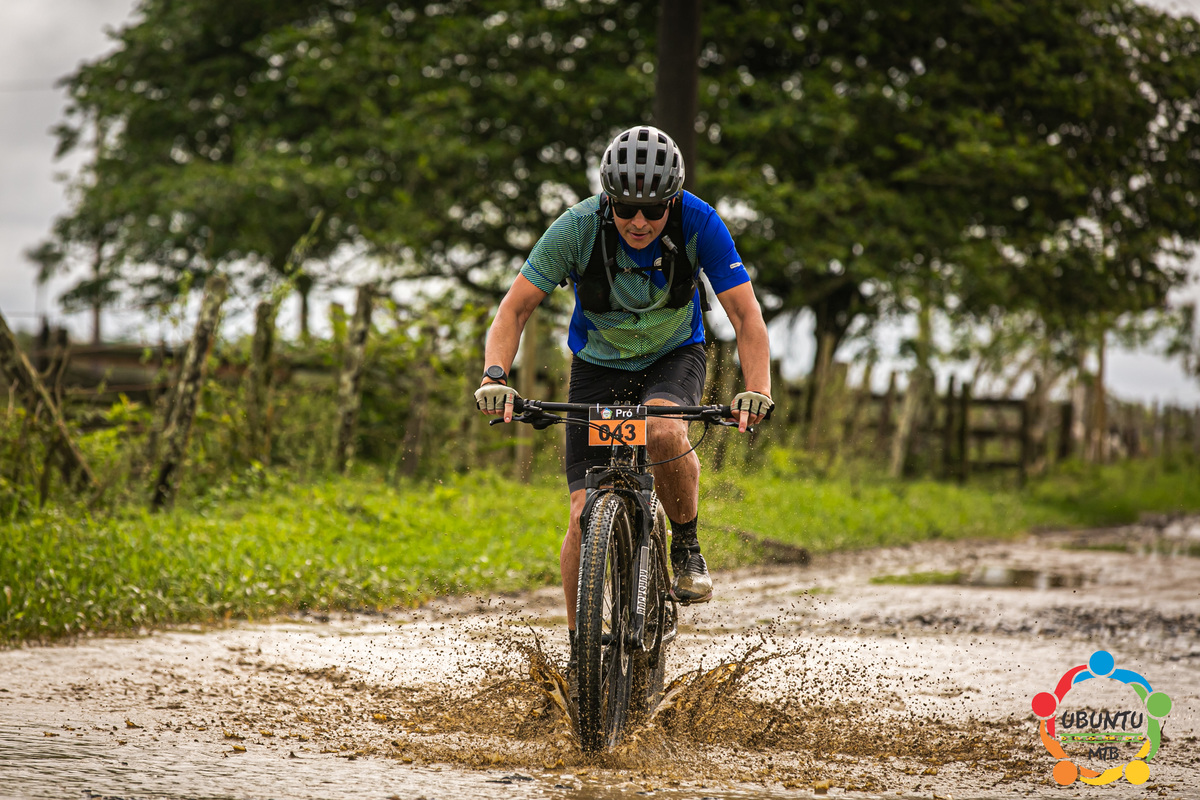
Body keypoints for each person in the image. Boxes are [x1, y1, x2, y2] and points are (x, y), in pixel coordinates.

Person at [474, 125, 772, 667]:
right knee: (581, 514)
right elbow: (513, 310)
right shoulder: (577, 228)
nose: (638, 222)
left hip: (674, 356)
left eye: (653, 210)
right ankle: (581, 654)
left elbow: (746, 316)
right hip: (598, 367)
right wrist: (495, 377)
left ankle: (685, 544)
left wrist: (757, 390)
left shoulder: (699, 222)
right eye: (625, 208)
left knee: (662, 428)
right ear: (607, 199)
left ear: (672, 202)